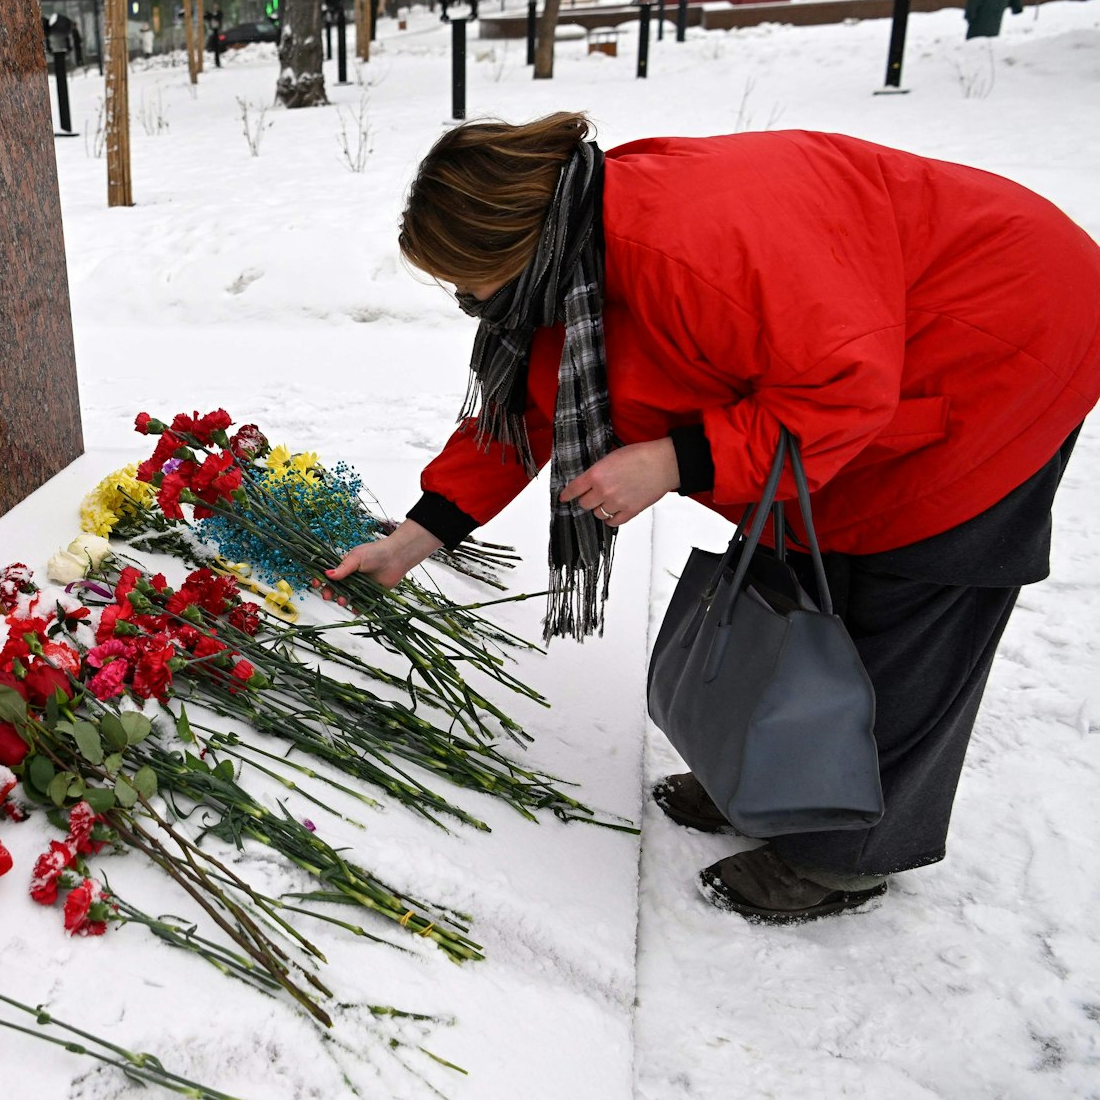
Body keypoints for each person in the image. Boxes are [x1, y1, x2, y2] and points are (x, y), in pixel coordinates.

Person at [330, 114, 1100, 923]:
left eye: (470, 285)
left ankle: (842, 856)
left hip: (1003, 340)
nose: (470, 304)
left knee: (910, 598)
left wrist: (673, 459)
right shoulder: (575, 253)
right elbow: (533, 405)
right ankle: (778, 773)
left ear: (512, 240)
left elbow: (844, 388)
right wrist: (415, 538)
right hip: (858, 363)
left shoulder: (695, 244)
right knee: (800, 576)